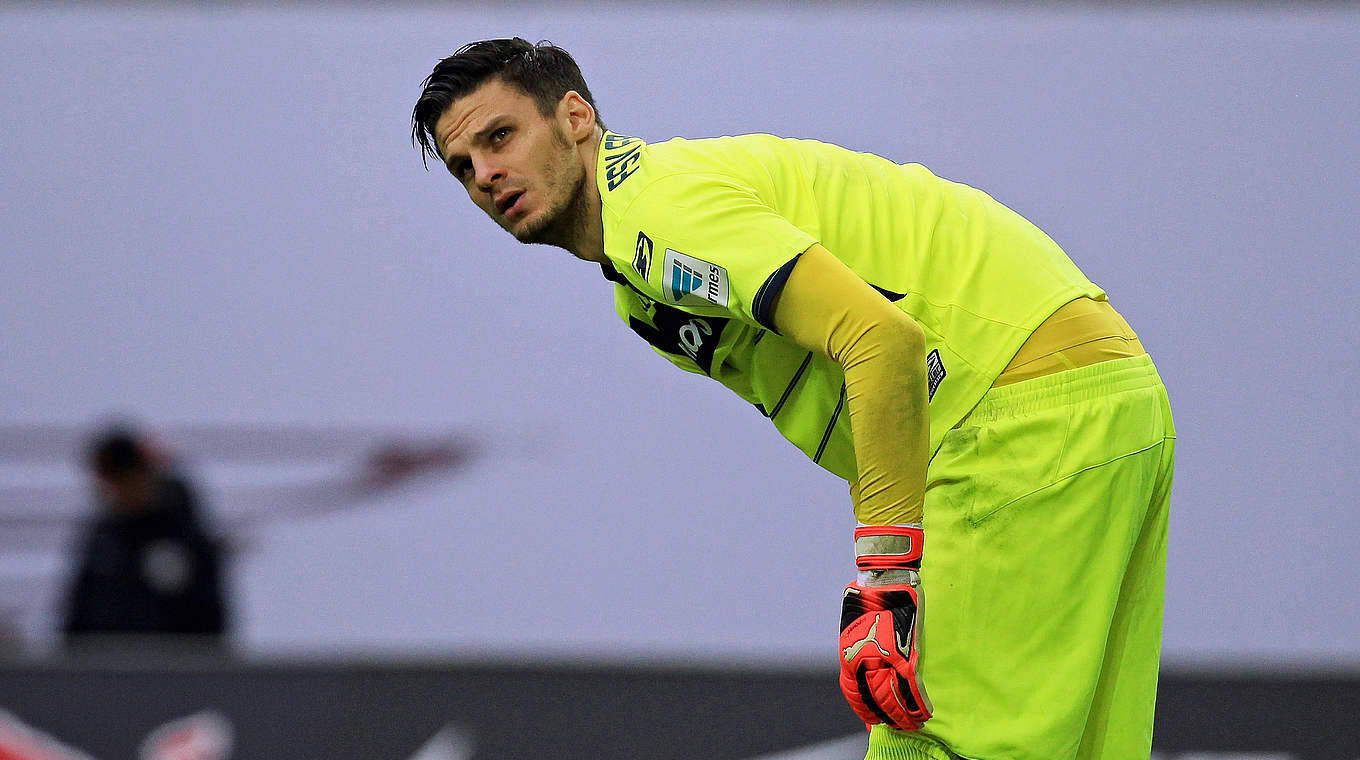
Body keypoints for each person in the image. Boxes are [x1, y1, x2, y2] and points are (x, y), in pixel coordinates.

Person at [410, 38, 1175, 760]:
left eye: (500, 136)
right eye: (462, 165)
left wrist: (887, 580)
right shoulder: (640, 292)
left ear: (575, 118)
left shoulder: (655, 205)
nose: (484, 173)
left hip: (1015, 422)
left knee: (930, 745)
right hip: (1106, 408)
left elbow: (883, 342)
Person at [61, 426, 228, 647]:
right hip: (105, 674)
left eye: (121, 481)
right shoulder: (102, 539)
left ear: (142, 475)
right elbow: (77, 616)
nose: (114, 492)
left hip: (170, 673)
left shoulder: (185, 538)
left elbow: (209, 624)